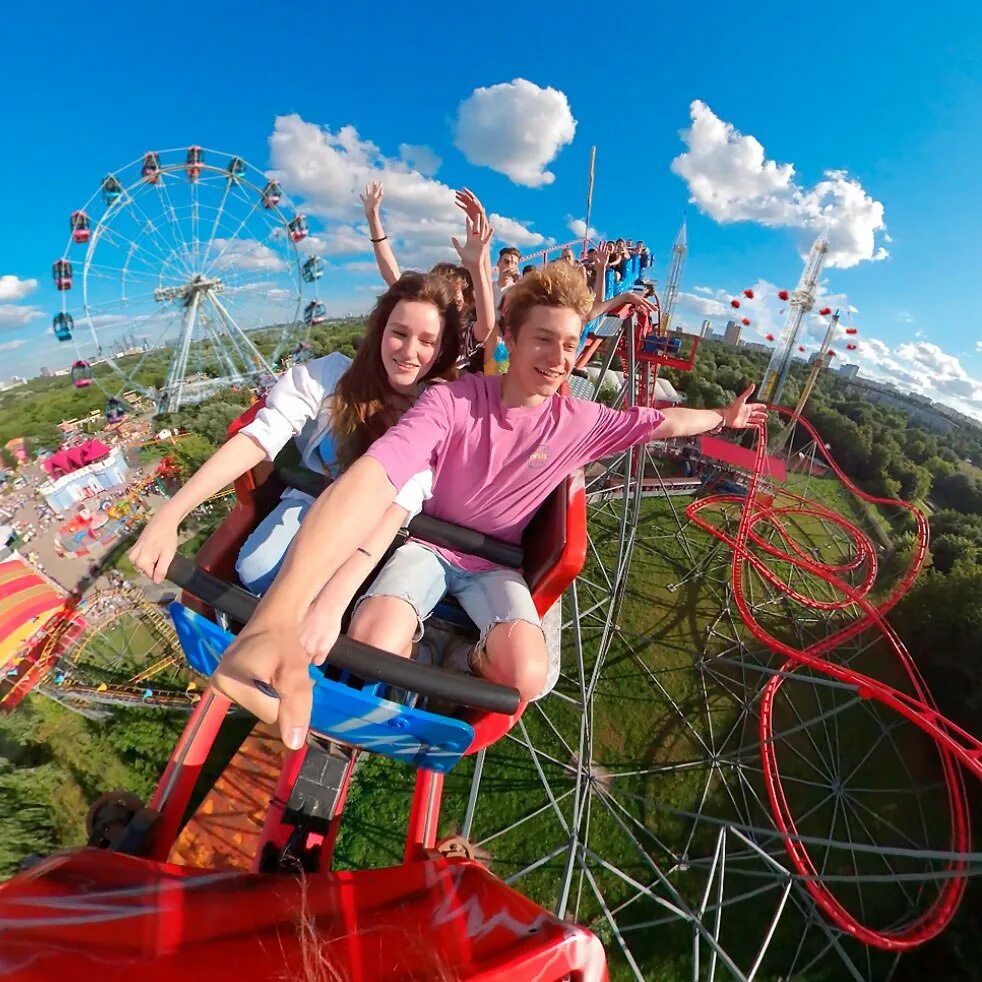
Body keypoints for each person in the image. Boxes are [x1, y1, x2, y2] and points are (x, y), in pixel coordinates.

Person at [209, 262, 768, 748]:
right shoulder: (452, 400)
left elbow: (664, 421)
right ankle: (405, 658)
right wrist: (282, 611)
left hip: (493, 563)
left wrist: (725, 419)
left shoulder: (580, 422)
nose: (558, 359)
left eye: (570, 345)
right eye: (544, 340)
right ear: (511, 338)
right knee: (375, 639)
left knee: (525, 675)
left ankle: (462, 659)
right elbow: (375, 475)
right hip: (428, 544)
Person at [127, 270, 466, 593]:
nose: (409, 352)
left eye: (426, 341)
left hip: (376, 526)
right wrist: (170, 515)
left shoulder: (436, 409)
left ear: (439, 350)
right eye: (399, 333)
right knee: (255, 568)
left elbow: (410, 494)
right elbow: (260, 436)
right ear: (380, 331)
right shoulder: (331, 377)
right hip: (312, 499)